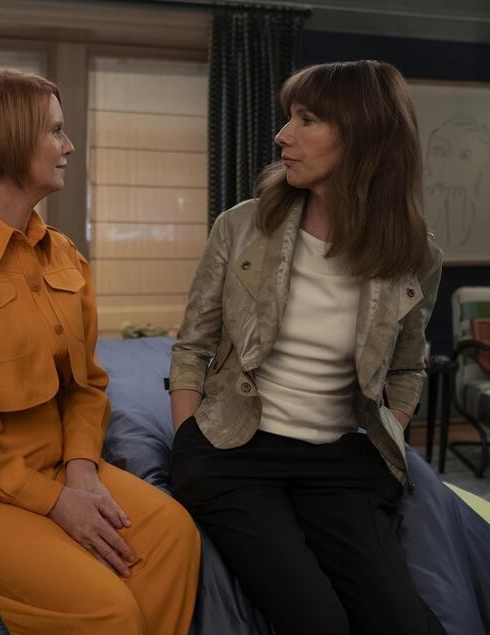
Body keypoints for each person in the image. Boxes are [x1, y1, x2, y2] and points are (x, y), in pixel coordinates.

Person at [0, 68, 200, 634]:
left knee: (175, 536)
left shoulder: (65, 257)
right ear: (10, 140)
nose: (69, 146)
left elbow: (86, 388)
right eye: (55, 131)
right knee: (107, 609)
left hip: (57, 467)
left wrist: (81, 471)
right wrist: (55, 503)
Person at [169, 60, 446, 635]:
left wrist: (389, 429)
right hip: (237, 451)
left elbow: (407, 368)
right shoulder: (240, 227)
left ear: (364, 135)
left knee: (402, 622)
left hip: (341, 462)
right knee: (318, 621)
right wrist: (187, 438)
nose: (282, 136)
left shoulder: (414, 253)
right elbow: (192, 346)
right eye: (289, 117)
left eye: (307, 119)